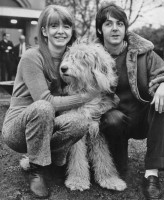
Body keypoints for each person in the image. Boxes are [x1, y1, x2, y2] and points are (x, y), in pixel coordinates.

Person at [2, 5, 96, 199]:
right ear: (44, 31)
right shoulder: (32, 57)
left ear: (71, 31)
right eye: (54, 26)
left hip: (48, 125)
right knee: (44, 107)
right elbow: (46, 101)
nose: (61, 31)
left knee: (80, 122)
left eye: (66, 26)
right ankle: (36, 170)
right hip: (18, 128)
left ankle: (53, 162)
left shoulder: (70, 59)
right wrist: (85, 97)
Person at [95, 3, 164, 200]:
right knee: (120, 170)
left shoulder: (142, 52)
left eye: (119, 24)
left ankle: (151, 175)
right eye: (108, 24)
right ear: (99, 29)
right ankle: (116, 162)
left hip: (144, 118)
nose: (115, 28)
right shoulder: (92, 56)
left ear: (125, 28)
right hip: (113, 121)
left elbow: (162, 74)